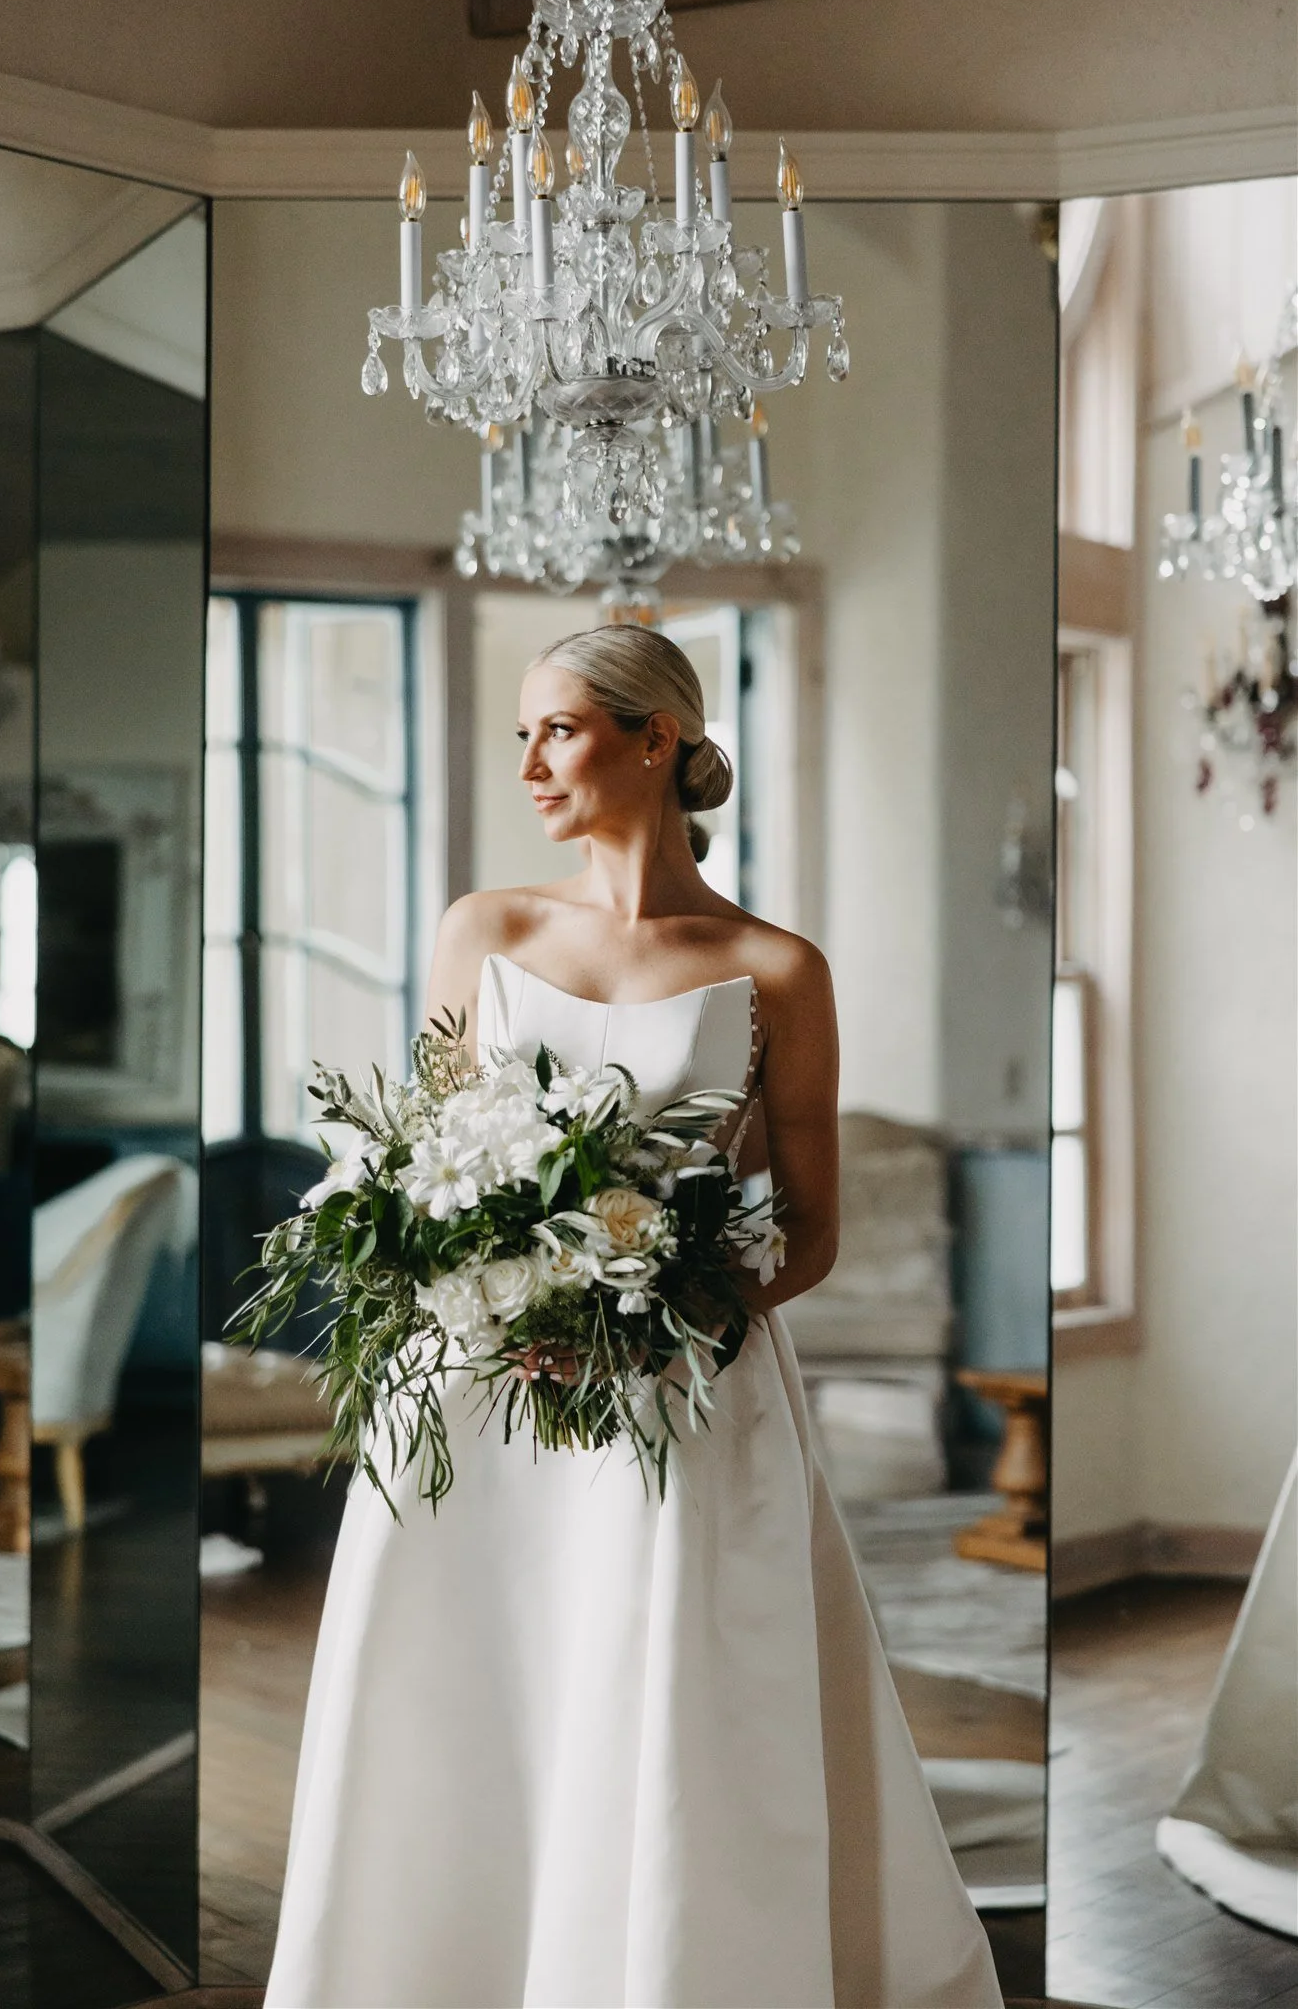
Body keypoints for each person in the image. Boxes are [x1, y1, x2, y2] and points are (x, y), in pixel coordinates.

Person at [265, 624, 1004, 2009]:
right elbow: (423, 1158)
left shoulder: (777, 969)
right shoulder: (483, 930)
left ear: (652, 739)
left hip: (681, 1391)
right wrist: (474, 1285)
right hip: (476, 1393)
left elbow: (811, 1226)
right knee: (461, 1689)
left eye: (559, 730)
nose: (532, 762)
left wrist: (646, 1311)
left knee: (661, 1703)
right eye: (526, 735)